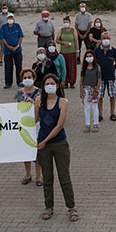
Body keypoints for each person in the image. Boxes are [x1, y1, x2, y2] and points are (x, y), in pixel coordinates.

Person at [35, 74, 78, 222]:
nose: (49, 86)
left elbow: (59, 126)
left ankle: (71, 207)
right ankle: (49, 206)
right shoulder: (39, 100)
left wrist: (45, 141)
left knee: (64, 177)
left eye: (52, 83)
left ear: (58, 85)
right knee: (47, 177)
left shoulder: (63, 102)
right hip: (43, 146)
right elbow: (34, 120)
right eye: (47, 83)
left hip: (58, 144)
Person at [15, 68, 43, 184]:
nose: (27, 79)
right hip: (24, 125)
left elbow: (44, 107)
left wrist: (34, 104)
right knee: (26, 150)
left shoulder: (40, 92)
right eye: (25, 78)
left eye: (29, 77)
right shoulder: (19, 93)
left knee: (37, 150)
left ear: (34, 78)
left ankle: (39, 176)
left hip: (37, 124)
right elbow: (15, 108)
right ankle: (27, 174)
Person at [95, 31, 116, 122]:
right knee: (99, 96)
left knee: (112, 95)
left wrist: (113, 69)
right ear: (101, 40)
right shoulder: (97, 50)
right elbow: (94, 62)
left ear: (110, 39)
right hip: (100, 77)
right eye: (104, 38)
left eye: (107, 38)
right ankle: (100, 114)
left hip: (110, 77)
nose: (106, 40)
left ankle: (112, 113)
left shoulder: (113, 50)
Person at [78, 50, 101, 132]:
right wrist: (81, 91)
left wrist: (97, 90)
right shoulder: (83, 68)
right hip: (85, 89)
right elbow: (81, 80)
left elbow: (99, 79)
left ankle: (95, 124)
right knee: (86, 107)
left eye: (90, 56)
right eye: (87, 56)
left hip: (94, 88)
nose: (89, 58)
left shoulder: (97, 67)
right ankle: (87, 125)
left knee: (95, 107)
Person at [0, 13, 25, 88]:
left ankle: (20, 81)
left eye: (11, 18)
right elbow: (2, 38)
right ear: (7, 19)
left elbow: (20, 36)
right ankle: (8, 83)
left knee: (19, 66)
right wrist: (8, 46)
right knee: (8, 67)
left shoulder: (17, 26)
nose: (10, 19)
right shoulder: (4, 27)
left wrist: (17, 46)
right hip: (7, 51)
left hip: (17, 50)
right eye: (9, 18)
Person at [57, 16, 79, 88]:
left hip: (72, 51)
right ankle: (65, 81)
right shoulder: (61, 30)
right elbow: (57, 40)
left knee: (72, 67)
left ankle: (72, 82)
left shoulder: (73, 30)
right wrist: (63, 43)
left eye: (67, 22)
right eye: (64, 22)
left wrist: (77, 51)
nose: (65, 24)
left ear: (69, 22)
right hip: (63, 51)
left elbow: (76, 41)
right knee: (64, 67)